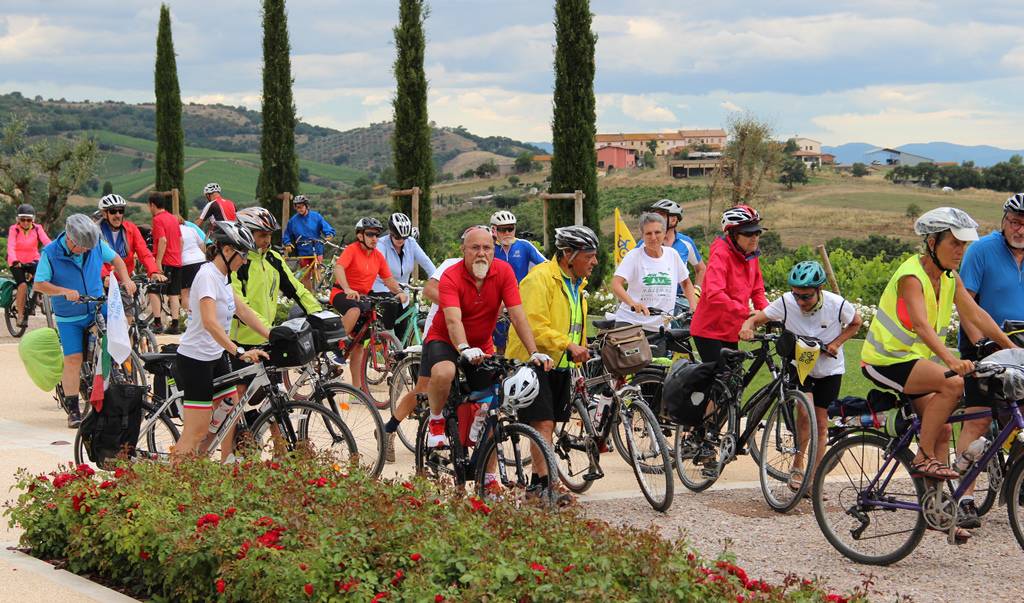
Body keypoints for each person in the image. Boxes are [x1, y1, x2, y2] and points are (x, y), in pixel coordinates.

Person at [860, 208, 1014, 501]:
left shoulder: (949, 278)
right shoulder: (911, 276)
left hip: (913, 362)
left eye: (964, 244)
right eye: (954, 243)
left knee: (943, 429)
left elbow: (977, 314)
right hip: (885, 360)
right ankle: (922, 456)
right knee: (953, 384)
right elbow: (920, 325)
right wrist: (951, 361)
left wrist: (1012, 349)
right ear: (932, 242)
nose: (961, 251)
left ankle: (939, 509)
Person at [422, 226, 552, 493]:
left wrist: (534, 351)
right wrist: (463, 347)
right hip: (445, 340)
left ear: (493, 251)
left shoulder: (503, 273)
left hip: (482, 345)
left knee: (495, 403)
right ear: (464, 251)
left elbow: (518, 315)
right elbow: (452, 319)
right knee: (445, 373)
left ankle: (489, 475)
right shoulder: (451, 275)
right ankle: (436, 419)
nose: (481, 253)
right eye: (475, 248)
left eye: (487, 248)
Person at [739, 260, 862, 492]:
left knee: (821, 423)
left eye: (806, 296)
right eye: (797, 295)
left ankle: (814, 479)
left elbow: (856, 322)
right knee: (804, 413)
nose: (800, 301)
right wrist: (748, 326)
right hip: (801, 364)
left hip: (829, 369)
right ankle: (798, 464)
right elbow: (757, 318)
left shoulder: (836, 305)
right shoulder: (786, 302)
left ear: (820, 290)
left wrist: (837, 343)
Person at [507, 225, 599, 504]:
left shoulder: (576, 286)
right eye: (589, 256)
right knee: (543, 423)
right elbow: (533, 325)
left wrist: (578, 352)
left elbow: (573, 327)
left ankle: (537, 486)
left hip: (560, 364)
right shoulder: (540, 280)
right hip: (533, 361)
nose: (594, 262)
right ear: (568, 254)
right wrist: (568, 345)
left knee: (547, 424)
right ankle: (547, 484)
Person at [949, 194, 1024, 527]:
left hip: (1020, 346)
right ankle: (964, 497)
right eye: (1015, 221)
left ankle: (1019, 483)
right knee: (977, 420)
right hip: (983, 344)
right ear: (1004, 219)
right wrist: (980, 344)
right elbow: (967, 305)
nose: (1020, 229)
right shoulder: (981, 251)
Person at [173, 221, 270, 461]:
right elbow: (209, 322)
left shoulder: (223, 277)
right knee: (195, 431)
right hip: (196, 359)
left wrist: (272, 335)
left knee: (230, 409)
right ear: (227, 251)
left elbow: (243, 311)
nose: (245, 260)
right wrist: (238, 351)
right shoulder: (207, 276)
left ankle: (206, 462)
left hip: (215, 356)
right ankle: (175, 482)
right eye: (242, 254)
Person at [33, 214, 136, 427]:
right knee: (73, 359)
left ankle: (119, 377)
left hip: (98, 304)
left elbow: (116, 259)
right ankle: (73, 409)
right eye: (82, 248)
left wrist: (126, 279)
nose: (86, 251)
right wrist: (63, 291)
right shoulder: (51, 253)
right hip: (69, 315)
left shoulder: (95, 244)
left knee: (119, 334)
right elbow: (39, 284)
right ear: (70, 239)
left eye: (89, 248)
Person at [382, 255, 459, 463]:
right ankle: (388, 430)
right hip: (439, 335)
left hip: (468, 337)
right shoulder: (451, 264)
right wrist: (459, 308)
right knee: (423, 389)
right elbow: (430, 289)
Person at [331, 218, 408, 390]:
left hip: (363, 297)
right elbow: (339, 268)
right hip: (342, 293)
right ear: (360, 235)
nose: (374, 238)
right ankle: (336, 346)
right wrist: (347, 288)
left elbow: (388, 279)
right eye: (370, 234)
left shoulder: (378, 257)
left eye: (377, 235)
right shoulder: (352, 250)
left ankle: (357, 391)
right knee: (354, 310)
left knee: (358, 346)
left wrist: (400, 292)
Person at [690, 205, 769, 363]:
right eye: (748, 233)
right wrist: (745, 311)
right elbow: (714, 294)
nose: (754, 237)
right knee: (720, 378)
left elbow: (757, 290)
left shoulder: (751, 255)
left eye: (757, 232)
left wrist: (769, 313)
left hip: (731, 329)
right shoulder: (721, 254)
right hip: (708, 330)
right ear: (732, 234)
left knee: (734, 381)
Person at [231, 207, 321, 346]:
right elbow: (240, 306)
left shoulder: (274, 258)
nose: (267, 240)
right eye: (262, 235)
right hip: (241, 342)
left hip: (269, 338)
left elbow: (297, 289)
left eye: (270, 235)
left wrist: (317, 313)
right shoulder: (237, 263)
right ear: (245, 234)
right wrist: (270, 330)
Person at [609, 212, 697, 331]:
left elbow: (686, 283)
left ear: (665, 233)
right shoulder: (634, 256)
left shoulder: (672, 255)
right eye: (648, 233)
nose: (653, 237)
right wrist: (633, 304)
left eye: (657, 232)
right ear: (642, 236)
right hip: (632, 324)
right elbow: (615, 284)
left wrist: (693, 307)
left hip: (660, 327)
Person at [373, 213, 436, 340]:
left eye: (404, 237)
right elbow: (380, 269)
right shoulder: (381, 244)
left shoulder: (411, 243)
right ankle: (387, 340)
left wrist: (438, 280)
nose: (401, 240)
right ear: (390, 233)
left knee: (402, 331)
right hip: (382, 287)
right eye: (397, 237)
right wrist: (395, 289)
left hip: (403, 291)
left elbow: (428, 264)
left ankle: (402, 353)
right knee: (391, 313)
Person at [490, 210, 545, 353]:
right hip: (496, 300)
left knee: (523, 337)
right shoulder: (489, 248)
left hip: (520, 299)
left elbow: (546, 266)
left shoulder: (524, 246)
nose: (508, 233)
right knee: (499, 341)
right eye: (503, 229)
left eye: (511, 228)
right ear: (494, 230)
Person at [96, 194, 166, 291]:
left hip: (125, 278)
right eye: (113, 211)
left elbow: (144, 253)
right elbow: (95, 258)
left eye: (121, 211)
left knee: (131, 304)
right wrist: (105, 276)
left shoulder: (131, 229)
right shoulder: (96, 232)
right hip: (103, 279)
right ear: (104, 213)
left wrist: (153, 271)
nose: (118, 215)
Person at [7, 204, 51, 327]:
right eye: (23, 219)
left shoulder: (37, 228)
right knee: (22, 286)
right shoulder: (14, 229)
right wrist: (14, 260)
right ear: (18, 220)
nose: (26, 222)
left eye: (29, 219)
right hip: (16, 262)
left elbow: (47, 242)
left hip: (33, 259)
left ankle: (37, 297)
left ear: (33, 219)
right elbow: (10, 246)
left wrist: (55, 252)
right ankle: (20, 315)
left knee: (42, 276)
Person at [645, 199, 706, 288]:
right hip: (651, 297)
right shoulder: (645, 242)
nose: (656, 219)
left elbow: (701, 269)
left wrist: (697, 290)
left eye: (661, 215)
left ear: (674, 220)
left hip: (679, 298)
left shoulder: (686, 242)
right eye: (655, 216)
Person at [282, 195, 335, 291]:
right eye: (297, 207)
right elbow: (287, 234)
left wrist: (329, 234)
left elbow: (326, 227)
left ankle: (321, 292)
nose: (300, 209)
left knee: (318, 270)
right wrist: (288, 243)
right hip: (303, 251)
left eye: (301, 206)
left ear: (306, 206)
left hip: (317, 248)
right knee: (305, 275)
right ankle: (310, 296)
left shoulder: (316, 217)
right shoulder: (293, 221)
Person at [148, 193, 183, 333]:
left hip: (165, 260)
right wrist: (178, 256)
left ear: (152, 205)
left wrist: (158, 262)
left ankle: (157, 323)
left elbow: (162, 240)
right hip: (177, 261)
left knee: (153, 289)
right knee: (174, 293)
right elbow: (181, 241)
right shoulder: (174, 219)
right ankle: (175, 325)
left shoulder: (157, 220)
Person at [178, 215, 208, 315]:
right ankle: (203, 313)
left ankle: (188, 316)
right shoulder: (191, 229)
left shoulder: (174, 231)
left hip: (185, 262)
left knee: (185, 292)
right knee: (201, 290)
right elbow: (202, 244)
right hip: (200, 260)